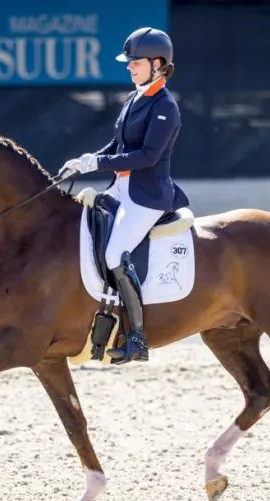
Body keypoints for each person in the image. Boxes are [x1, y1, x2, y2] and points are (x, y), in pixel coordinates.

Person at [59, 26, 189, 364]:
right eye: (129, 62)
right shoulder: (135, 98)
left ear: (158, 64)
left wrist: (99, 162)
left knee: (116, 254)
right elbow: (118, 146)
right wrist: (84, 162)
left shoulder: (165, 107)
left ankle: (137, 337)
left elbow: (146, 156)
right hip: (120, 188)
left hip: (146, 196)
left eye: (136, 62)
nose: (129, 67)